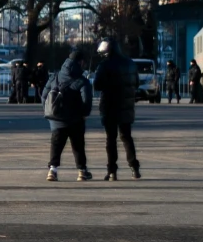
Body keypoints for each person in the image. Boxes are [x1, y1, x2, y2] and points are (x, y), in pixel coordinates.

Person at [43, 41, 96, 183]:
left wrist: (49, 110)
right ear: (81, 62)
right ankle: (82, 171)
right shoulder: (82, 80)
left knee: (56, 144)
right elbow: (87, 100)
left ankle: (52, 171)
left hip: (56, 119)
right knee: (78, 145)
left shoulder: (56, 76)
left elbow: (44, 95)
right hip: (75, 119)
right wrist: (84, 114)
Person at [94, 38, 141, 180]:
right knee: (126, 137)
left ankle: (112, 170)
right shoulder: (130, 64)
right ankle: (134, 167)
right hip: (126, 105)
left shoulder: (105, 65)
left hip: (109, 105)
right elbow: (136, 83)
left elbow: (97, 85)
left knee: (111, 139)